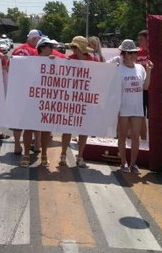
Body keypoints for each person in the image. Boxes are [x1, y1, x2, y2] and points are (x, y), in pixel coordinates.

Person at [59, 36, 98, 168]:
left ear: (80, 48)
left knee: (84, 129)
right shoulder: (69, 59)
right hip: (71, 99)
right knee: (67, 128)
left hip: (86, 99)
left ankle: (80, 156)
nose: (73, 49)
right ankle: (63, 154)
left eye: (75, 47)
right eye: (72, 47)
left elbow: (99, 77)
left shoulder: (93, 60)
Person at [19, 36, 59, 167]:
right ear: (42, 48)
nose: (52, 49)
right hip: (31, 100)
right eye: (50, 46)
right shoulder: (30, 61)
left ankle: (44, 154)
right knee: (29, 127)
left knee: (46, 128)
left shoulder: (54, 61)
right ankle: (26, 154)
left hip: (47, 100)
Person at [116, 39, 152, 174]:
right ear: (123, 54)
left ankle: (133, 163)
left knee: (136, 136)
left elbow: (146, 87)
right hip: (123, 107)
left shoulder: (140, 68)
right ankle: (123, 162)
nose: (133, 56)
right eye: (129, 53)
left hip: (137, 108)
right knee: (123, 135)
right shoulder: (119, 69)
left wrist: (149, 72)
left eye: (134, 53)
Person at [10, 29, 43, 154]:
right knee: (34, 118)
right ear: (34, 39)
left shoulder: (17, 50)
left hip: (17, 89)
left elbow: (9, 65)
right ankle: (37, 145)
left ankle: (17, 146)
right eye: (38, 39)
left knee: (18, 119)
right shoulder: (34, 51)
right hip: (31, 90)